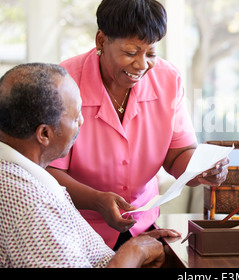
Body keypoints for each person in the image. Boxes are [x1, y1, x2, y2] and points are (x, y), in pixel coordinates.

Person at [46, 0, 229, 249]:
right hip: (75, 231)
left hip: (142, 228)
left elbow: (177, 155)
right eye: (131, 52)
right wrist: (97, 200)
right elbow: (47, 170)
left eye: (151, 54)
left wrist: (201, 170)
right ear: (101, 40)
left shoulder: (168, 80)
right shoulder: (63, 83)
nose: (141, 64)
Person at [0, 63, 180, 268]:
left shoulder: (25, 176)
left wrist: (139, 247)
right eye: (76, 116)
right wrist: (135, 252)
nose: (82, 122)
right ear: (44, 134)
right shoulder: (28, 200)